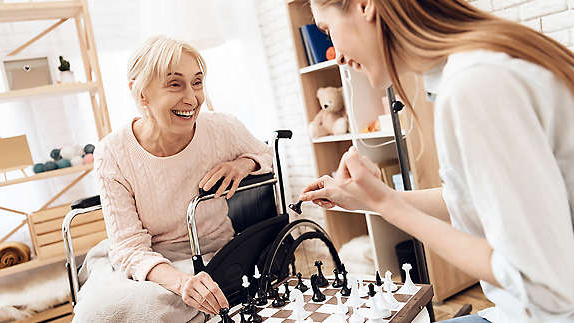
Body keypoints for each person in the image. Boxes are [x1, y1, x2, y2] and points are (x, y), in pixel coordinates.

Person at [299, 1, 574, 322]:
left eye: (327, 29)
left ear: (364, 5)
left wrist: (388, 204)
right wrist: (371, 199)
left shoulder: (475, 84)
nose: (338, 55)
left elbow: (546, 286)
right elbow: (470, 198)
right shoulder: (476, 63)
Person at [72, 36, 273, 322]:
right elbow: (130, 248)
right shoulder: (113, 152)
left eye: (198, 82)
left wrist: (243, 164)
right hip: (150, 261)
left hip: (212, 251)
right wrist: (180, 283)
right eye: (175, 84)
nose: (192, 98)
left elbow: (266, 155)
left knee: (158, 311)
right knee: (99, 313)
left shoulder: (221, 128)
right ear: (141, 94)